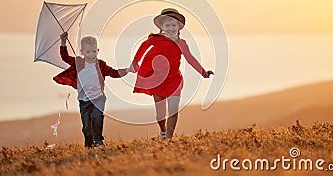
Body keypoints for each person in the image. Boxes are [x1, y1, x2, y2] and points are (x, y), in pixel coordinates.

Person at [131, 8, 214, 140]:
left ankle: (168, 139)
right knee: (160, 114)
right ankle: (163, 130)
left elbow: (190, 58)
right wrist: (135, 63)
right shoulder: (155, 39)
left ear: (179, 28)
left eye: (174, 25)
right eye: (167, 25)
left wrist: (203, 72)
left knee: (173, 111)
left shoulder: (182, 43)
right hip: (156, 80)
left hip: (174, 80)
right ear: (162, 27)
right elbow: (142, 47)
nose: (171, 28)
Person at [53, 32, 131, 147]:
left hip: (98, 98)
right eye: (88, 52)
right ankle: (89, 144)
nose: (91, 54)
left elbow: (114, 73)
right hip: (84, 100)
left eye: (94, 51)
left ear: (97, 51)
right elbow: (65, 57)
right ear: (82, 52)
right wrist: (63, 41)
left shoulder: (101, 65)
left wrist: (128, 70)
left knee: (97, 117)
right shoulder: (78, 63)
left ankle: (99, 141)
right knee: (86, 127)